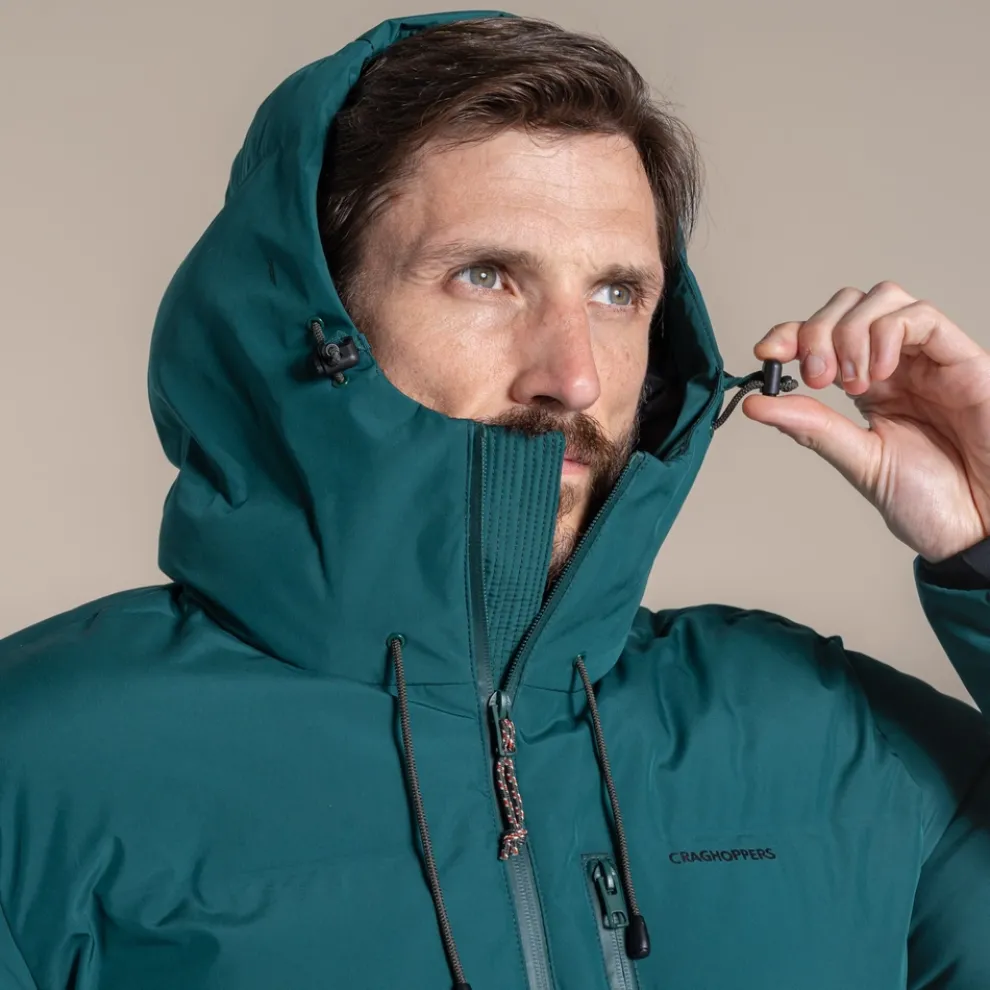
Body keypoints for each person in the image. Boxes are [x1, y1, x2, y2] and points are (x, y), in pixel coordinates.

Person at [0, 9, 988, 989]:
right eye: (488, 276)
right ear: (315, 321)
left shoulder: (830, 741)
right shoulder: (38, 770)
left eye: (616, 294)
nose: (576, 378)